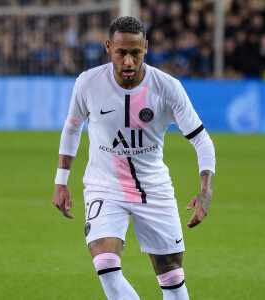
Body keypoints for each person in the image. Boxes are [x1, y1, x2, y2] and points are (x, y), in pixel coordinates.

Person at [53, 16, 215, 300]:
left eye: (135, 53)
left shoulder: (167, 87)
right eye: (121, 53)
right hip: (105, 186)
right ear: (108, 48)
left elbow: (201, 139)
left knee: (172, 279)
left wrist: (205, 192)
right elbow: (72, 127)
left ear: (146, 48)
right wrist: (61, 181)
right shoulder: (88, 83)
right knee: (105, 265)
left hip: (154, 188)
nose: (128, 61)